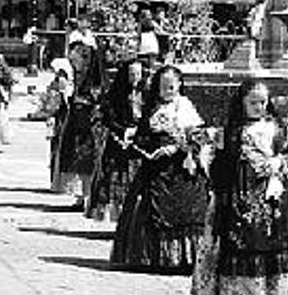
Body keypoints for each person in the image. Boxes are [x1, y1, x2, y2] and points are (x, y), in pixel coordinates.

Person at [191, 80, 288, 295]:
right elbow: (217, 160)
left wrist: (279, 161)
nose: (259, 107)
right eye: (253, 102)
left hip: (275, 197)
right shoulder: (231, 131)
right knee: (247, 242)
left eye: (263, 102)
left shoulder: (279, 128)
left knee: (276, 243)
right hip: (242, 197)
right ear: (242, 103)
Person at [110, 65, 208, 272]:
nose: (167, 91)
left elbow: (198, 136)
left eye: (171, 86)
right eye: (163, 87)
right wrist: (148, 149)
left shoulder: (186, 107)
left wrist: (176, 148)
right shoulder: (152, 107)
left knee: (187, 208)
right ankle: (150, 256)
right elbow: (142, 136)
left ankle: (185, 258)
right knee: (147, 206)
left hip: (181, 166)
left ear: (179, 85)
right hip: (154, 167)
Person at [85, 58, 145, 221]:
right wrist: (123, 130)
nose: (135, 77)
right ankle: (116, 214)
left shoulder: (146, 92)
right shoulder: (115, 94)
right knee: (115, 175)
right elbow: (108, 118)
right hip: (118, 139)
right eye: (132, 74)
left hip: (139, 141)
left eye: (138, 73)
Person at [50, 41, 105, 208]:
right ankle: (81, 195)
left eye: (77, 59)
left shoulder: (95, 82)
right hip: (76, 122)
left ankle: (89, 196)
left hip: (89, 125)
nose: (74, 63)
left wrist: (84, 103)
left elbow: (98, 101)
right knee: (76, 157)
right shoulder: (76, 77)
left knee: (88, 158)